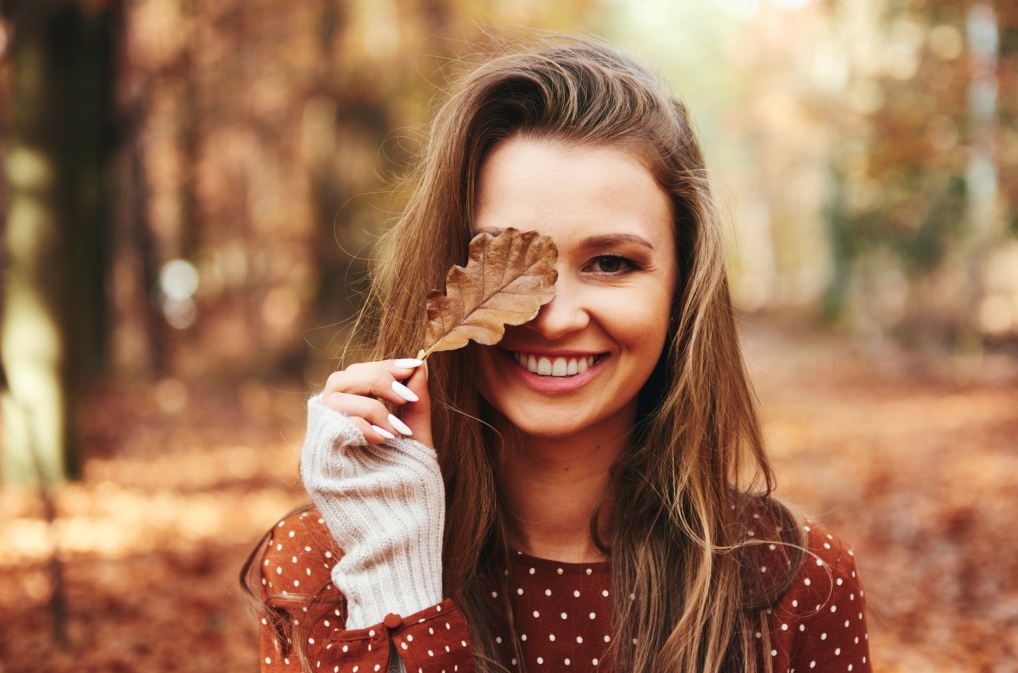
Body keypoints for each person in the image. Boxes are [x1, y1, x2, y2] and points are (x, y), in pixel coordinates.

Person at [243, 34, 871, 673]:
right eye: (506, 262)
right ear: (448, 273)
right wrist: (394, 578)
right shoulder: (326, 563)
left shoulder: (796, 587)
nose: (555, 318)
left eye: (610, 263)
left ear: (681, 290)